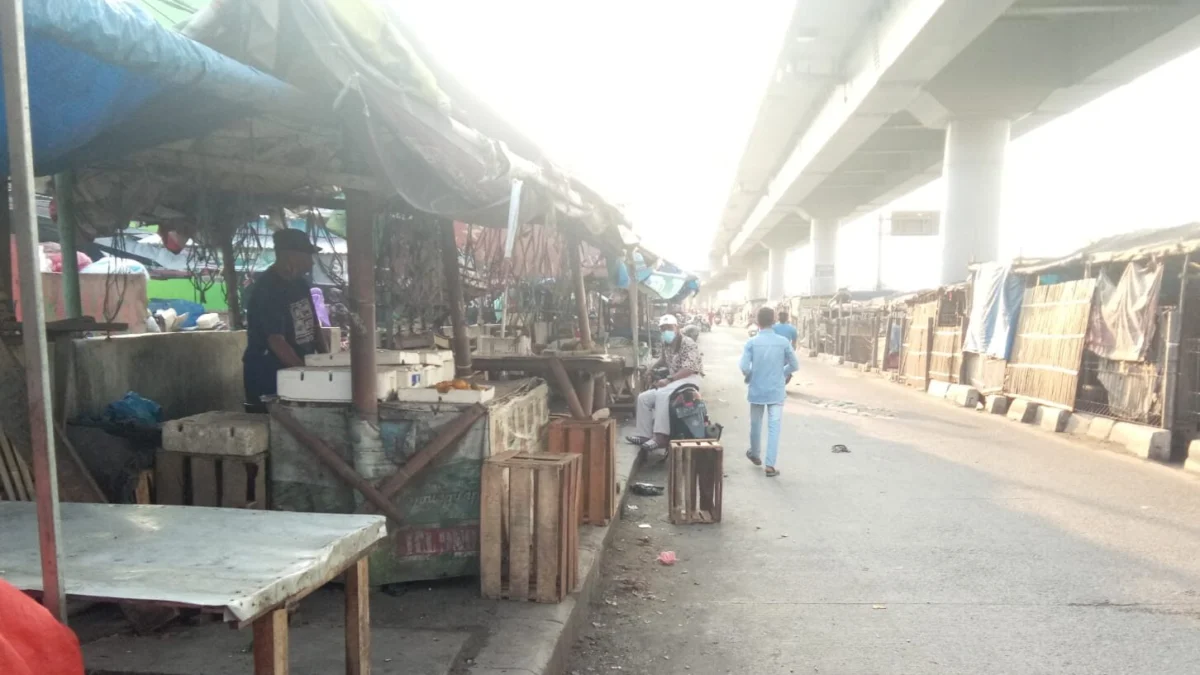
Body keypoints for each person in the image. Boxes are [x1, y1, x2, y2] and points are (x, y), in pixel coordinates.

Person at [242, 229, 327, 412]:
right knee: (276, 426)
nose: (310, 263)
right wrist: (304, 374)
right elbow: (276, 341)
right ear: (291, 257)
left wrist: (326, 360)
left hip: (298, 370)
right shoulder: (268, 289)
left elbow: (313, 324)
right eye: (307, 257)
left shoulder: (301, 284)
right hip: (269, 374)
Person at [626, 314, 704, 452]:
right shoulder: (666, 343)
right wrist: (651, 369)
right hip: (675, 380)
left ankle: (661, 436)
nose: (666, 331)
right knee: (643, 398)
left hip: (689, 378)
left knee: (662, 392)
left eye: (669, 328)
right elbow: (663, 359)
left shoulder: (688, 343)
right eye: (663, 329)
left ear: (677, 327)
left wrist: (669, 379)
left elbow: (689, 368)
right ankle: (643, 435)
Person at [741, 306, 799, 477]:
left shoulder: (751, 343)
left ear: (757, 322)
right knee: (774, 427)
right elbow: (795, 365)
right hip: (776, 390)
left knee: (755, 424)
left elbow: (744, 366)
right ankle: (770, 465)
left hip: (757, 390)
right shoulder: (783, 342)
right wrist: (781, 373)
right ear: (773, 321)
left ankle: (755, 454)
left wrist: (751, 374)